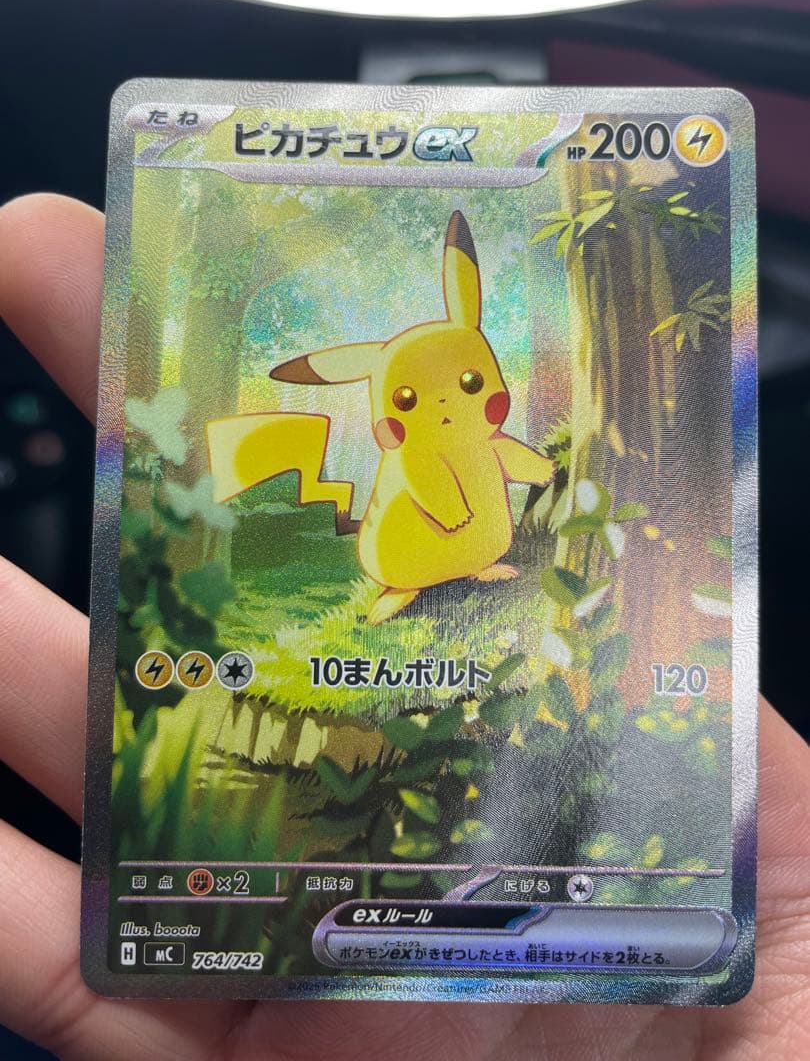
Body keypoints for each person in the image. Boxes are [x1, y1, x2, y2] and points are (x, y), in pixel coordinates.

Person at [0, 193, 807, 1061]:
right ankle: (406, 584)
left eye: (471, 385)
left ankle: (456, 576)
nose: (459, 403)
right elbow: (433, 483)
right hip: (412, 554)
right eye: (421, 396)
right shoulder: (417, 448)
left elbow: (510, 459)